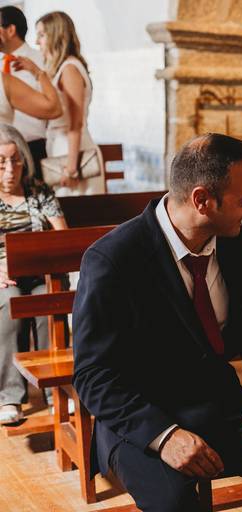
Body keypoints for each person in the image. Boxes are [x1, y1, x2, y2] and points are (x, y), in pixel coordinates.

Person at [72, 133, 242, 512]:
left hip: (218, 403)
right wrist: (165, 436)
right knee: (175, 503)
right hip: (141, 416)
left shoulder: (234, 237)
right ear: (202, 200)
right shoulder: (113, 259)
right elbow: (94, 376)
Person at [0, 124, 66, 424]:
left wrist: (44, 260)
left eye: (16, 160)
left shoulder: (40, 191)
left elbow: (62, 236)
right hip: (4, 278)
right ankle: (9, 397)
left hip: (41, 275)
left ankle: (56, 394)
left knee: (49, 301)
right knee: (10, 302)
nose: (10, 169)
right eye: (2, 162)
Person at [35, 11, 104, 196]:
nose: (37, 42)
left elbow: (76, 122)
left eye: (41, 35)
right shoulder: (62, 68)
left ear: (56, 35)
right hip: (61, 148)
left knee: (77, 212)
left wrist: (72, 168)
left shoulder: (70, 69)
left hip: (73, 151)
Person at [0, 6, 48, 180]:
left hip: (32, 146)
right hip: (3, 151)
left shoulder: (40, 61)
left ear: (11, 30)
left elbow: (53, 105)